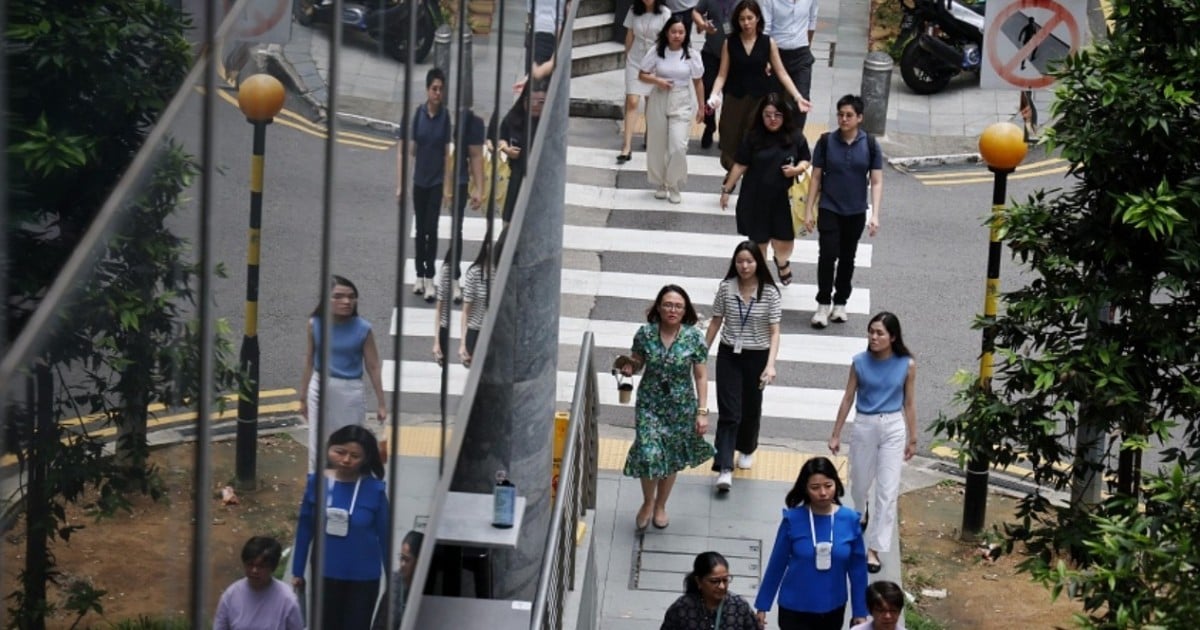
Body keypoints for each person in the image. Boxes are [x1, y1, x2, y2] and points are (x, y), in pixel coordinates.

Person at [618, 285, 714, 531]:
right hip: (650, 404)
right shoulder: (645, 334)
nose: (673, 310)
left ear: (685, 310)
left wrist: (702, 412)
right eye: (668, 305)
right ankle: (648, 502)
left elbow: (701, 377)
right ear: (659, 307)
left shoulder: (693, 338)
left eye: (678, 306)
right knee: (649, 453)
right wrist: (630, 366)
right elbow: (638, 361)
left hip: (681, 406)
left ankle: (661, 504)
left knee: (670, 458)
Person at [828, 312, 917, 574]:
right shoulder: (859, 362)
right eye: (871, 332)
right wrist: (836, 433)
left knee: (887, 492)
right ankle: (861, 511)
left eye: (879, 333)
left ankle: (875, 549)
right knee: (859, 485)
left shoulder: (907, 365)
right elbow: (847, 398)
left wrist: (913, 437)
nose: (874, 337)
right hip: (865, 425)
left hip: (893, 426)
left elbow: (909, 403)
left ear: (893, 337)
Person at [292, 425, 390, 630]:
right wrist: (297, 571)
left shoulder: (375, 489)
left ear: (365, 458)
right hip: (325, 573)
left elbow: (385, 536)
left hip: (364, 577)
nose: (346, 460)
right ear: (329, 449)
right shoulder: (316, 483)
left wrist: (393, 581)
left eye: (355, 455)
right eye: (340, 452)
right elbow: (304, 529)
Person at [755, 456, 869, 629]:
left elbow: (858, 571)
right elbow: (776, 564)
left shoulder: (850, 520)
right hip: (794, 608)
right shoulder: (792, 519)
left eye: (828, 486)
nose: (823, 493)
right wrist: (763, 605)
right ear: (805, 489)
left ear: (836, 484)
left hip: (833, 608)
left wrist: (860, 612)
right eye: (815, 488)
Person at [704, 241, 781, 493]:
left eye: (749, 261)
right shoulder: (726, 288)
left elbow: (774, 331)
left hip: (757, 356)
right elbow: (716, 322)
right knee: (729, 411)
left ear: (758, 262)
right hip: (729, 355)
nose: (744, 266)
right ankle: (724, 466)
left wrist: (770, 365)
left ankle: (747, 447)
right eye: (740, 261)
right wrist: (702, 351)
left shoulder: (769, 292)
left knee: (750, 407)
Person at [803, 94, 883, 328]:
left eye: (849, 115)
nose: (843, 119)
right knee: (827, 255)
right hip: (829, 208)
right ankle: (822, 304)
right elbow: (816, 178)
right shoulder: (826, 141)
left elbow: (876, 181)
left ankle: (840, 303)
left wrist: (875, 214)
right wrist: (809, 210)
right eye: (840, 114)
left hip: (856, 211)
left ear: (859, 118)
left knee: (848, 257)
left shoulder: (869, 144)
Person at [706, 0, 811, 171]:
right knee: (728, 143)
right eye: (742, 19)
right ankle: (733, 171)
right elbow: (722, 75)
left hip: (759, 100)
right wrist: (713, 95)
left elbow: (782, 73)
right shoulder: (730, 43)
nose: (746, 23)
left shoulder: (768, 43)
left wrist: (798, 97)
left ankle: (747, 179)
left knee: (755, 142)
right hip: (734, 98)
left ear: (758, 19)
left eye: (750, 18)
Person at [718, 93, 811, 285]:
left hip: (785, 201)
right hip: (756, 199)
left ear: (785, 115)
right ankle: (765, 280)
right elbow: (740, 165)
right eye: (768, 115)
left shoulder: (795, 137)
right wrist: (727, 190)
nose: (772, 119)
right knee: (759, 243)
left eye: (777, 115)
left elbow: (805, 159)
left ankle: (782, 262)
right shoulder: (753, 137)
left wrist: (797, 169)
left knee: (783, 243)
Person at [299, 275, 387, 472]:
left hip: (350, 391)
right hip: (319, 386)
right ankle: (317, 485)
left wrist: (381, 403)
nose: (346, 301)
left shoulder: (363, 329)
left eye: (351, 296)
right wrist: (303, 397)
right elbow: (309, 360)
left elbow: (373, 366)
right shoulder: (315, 324)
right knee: (317, 441)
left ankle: (345, 485)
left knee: (350, 442)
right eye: (338, 296)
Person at [638, 16, 705, 204]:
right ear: (667, 33)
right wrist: (657, 80)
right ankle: (660, 183)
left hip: (682, 99)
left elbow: (698, 82)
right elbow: (642, 74)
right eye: (673, 32)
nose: (677, 36)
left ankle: (674, 183)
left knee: (678, 146)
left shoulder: (691, 55)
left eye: (681, 32)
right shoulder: (657, 52)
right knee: (657, 144)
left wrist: (702, 106)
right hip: (659, 97)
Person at [400, 68, 450, 302]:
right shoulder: (418, 115)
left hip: (436, 182)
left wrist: (447, 187)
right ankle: (419, 275)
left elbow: (447, 155)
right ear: (428, 90)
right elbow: (411, 151)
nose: (437, 93)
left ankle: (430, 277)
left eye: (440, 89)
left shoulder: (446, 117)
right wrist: (402, 184)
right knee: (420, 230)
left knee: (432, 228)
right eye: (434, 89)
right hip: (419, 181)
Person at [618, 0, 671, 162]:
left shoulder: (665, 13)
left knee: (651, 101)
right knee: (632, 101)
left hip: (655, 61)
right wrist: (627, 56)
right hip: (635, 60)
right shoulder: (634, 10)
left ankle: (650, 136)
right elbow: (630, 35)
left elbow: (668, 39)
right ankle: (626, 146)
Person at [213, 536, 303, 630]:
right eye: (250, 564)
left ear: (273, 567)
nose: (254, 570)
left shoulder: (287, 600)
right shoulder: (230, 596)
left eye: (261, 566)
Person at [445, 106, 486, 303]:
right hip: (444, 181)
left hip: (460, 182)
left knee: (456, 232)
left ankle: (454, 279)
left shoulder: (471, 121)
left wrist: (479, 188)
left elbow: (477, 156)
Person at [660, 551, 761, 630]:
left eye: (725, 580)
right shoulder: (682, 608)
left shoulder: (739, 606)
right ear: (699, 581)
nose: (722, 586)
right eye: (714, 581)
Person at [494, 79, 547, 224]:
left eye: (541, 102)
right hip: (516, 178)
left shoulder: (548, 124)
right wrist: (506, 149)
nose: (536, 106)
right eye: (532, 101)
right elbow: (500, 136)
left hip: (539, 182)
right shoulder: (515, 117)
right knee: (509, 223)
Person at [761, 0, 818, 130]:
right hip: (777, 52)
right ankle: (773, 138)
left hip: (801, 53)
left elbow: (812, 21)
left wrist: (807, 45)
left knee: (802, 99)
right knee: (774, 100)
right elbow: (766, 29)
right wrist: (766, 58)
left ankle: (795, 140)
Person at [694, 0, 741, 149]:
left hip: (734, 55)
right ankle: (709, 125)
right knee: (708, 90)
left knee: (730, 96)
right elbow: (696, 12)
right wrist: (702, 25)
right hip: (711, 52)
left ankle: (725, 133)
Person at [372, 530, 425, 630]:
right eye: (401, 558)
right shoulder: (394, 583)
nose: (402, 564)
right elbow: (379, 623)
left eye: (407, 560)